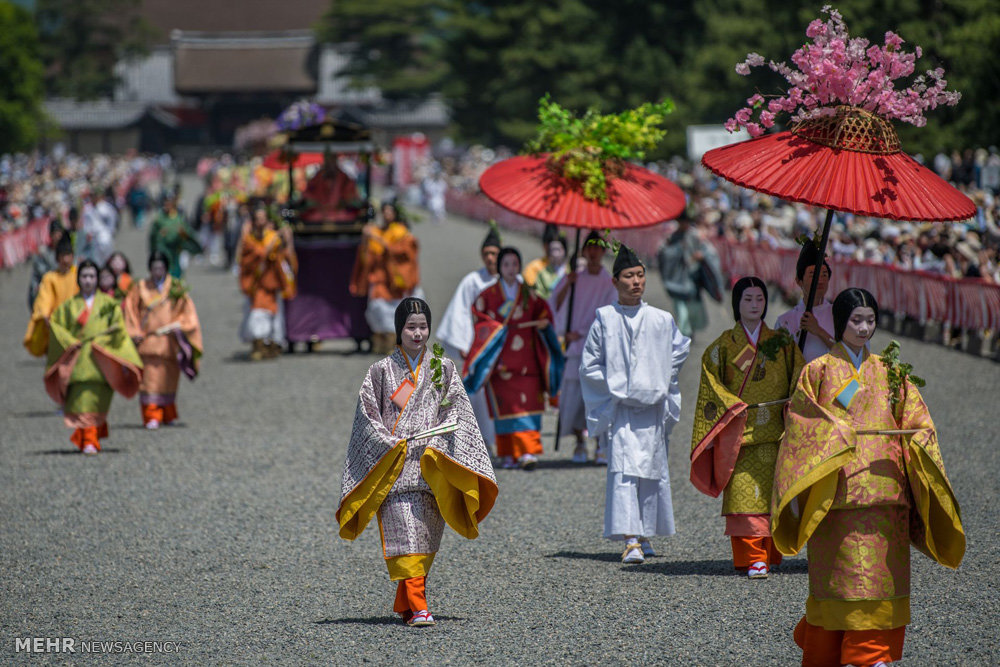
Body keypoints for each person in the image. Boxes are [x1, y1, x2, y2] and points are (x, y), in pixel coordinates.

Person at [772, 288, 965, 667]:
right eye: (856, 320)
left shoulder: (892, 373)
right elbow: (803, 423)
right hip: (837, 491)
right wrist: (844, 416)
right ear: (841, 322)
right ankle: (831, 650)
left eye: (870, 320)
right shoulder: (819, 370)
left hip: (887, 489)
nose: (863, 328)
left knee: (880, 579)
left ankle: (869, 654)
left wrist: (917, 435)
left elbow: (917, 419)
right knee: (840, 579)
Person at [337, 298, 498, 627]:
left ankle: (407, 602)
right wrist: (388, 441)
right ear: (399, 330)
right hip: (394, 466)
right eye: (411, 327)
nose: (418, 333)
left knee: (423, 539)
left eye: (423, 326)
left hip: (430, 465)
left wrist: (439, 442)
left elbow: (456, 412)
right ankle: (421, 607)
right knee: (406, 536)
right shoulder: (381, 371)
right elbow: (368, 417)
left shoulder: (442, 367)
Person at [580, 244, 690, 563]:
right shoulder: (604, 318)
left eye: (640, 275)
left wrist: (659, 377)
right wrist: (619, 386)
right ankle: (629, 538)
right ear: (615, 282)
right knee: (625, 470)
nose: (636, 282)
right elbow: (589, 364)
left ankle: (645, 533)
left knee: (653, 470)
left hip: (653, 405)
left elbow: (679, 349)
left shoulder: (661, 318)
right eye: (629, 276)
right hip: (623, 408)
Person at [689, 276, 803, 578]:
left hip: (774, 432)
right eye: (748, 299)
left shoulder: (782, 343)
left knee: (770, 498)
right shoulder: (723, 346)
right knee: (743, 496)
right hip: (738, 431)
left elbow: (799, 376)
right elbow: (711, 383)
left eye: (760, 299)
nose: (755, 305)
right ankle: (754, 558)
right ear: (736, 304)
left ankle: (765, 555)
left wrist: (792, 407)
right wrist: (731, 407)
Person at [464, 247, 564, 470]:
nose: (511, 269)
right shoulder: (488, 296)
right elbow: (479, 317)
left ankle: (528, 451)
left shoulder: (529, 294)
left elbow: (544, 314)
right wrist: (494, 329)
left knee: (529, 406)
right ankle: (509, 453)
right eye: (506, 264)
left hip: (527, 362)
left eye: (514, 264)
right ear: (500, 268)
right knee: (506, 408)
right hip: (501, 362)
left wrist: (543, 324)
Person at [43, 260, 143, 454]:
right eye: (84, 276)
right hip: (77, 361)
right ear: (78, 279)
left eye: (92, 276)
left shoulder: (108, 305)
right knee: (81, 401)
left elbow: (119, 331)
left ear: (98, 279)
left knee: (98, 401)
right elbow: (56, 326)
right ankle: (88, 439)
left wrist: (102, 342)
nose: (88, 280)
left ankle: (88, 436)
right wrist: (70, 342)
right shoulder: (68, 306)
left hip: (101, 362)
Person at [550, 231, 618, 463]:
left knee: (598, 397)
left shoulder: (609, 282)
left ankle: (600, 443)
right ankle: (579, 442)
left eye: (598, 248)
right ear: (584, 251)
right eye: (590, 247)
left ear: (604, 251)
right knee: (573, 397)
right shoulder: (574, 278)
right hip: (574, 347)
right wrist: (566, 286)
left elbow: (610, 317)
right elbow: (554, 305)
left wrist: (582, 333)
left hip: (598, 348)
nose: (594, 252)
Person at [435, 226, 501, 452]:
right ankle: (480, 442)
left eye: (495, 253)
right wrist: (464, 345)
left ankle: (506, 443)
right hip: (480, 347)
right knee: (478, 394)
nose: (491, 258)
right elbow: (460, 312)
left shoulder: (513, 280)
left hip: (505, 347)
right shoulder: (473, 281)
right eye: (487, 253)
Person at [123, 251, 203, 430]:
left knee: (168, 379)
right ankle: (151, 414)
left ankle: (167, 413)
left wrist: (180, 325)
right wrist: (134, 331)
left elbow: (187, 312)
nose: (157, 270)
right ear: (149, 268)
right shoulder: (140, 287)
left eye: (161, 267)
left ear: (166, 268)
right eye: (154, 267)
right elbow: (130, 312)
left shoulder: (175, 288)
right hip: (149, 340)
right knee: (150, 381)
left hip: (169, 340)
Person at [350, 202, 422, 355]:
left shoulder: (401, 233)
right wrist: (366, 240)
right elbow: (368, 255)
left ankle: (393, 343)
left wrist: (379, 240)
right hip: (380, 278)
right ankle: (379, 342)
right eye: (384, 211)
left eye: (389, 211)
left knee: (394, 311)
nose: (386, 215)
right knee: (376, 308)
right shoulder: (377, 231)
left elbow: (405, 254)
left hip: (395, 280)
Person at [238, 205, 297, 360]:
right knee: (257, 313)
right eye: (258, 219)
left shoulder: (273, 237)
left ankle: (271, 344)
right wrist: (268, 248)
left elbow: (285, 258)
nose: (261, 222)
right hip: (256, 284)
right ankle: (258, 343)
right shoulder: (249, 239)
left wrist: (287, 241)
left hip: (271, 282)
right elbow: (247, 259)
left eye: (263, 218)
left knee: (273, 314)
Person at [774, 243, 836, 362]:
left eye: (824, 274)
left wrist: (818, 331)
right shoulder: (784, 321)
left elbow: (848, 355)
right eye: (813, 275)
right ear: (799, 281)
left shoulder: (839, 314)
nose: (820, 280)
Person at [24, 236, 78, 357]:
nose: (65, 259)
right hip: (56, 325)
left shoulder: (78, 275)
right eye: (62, 256)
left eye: (68, 255)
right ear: (57, 258)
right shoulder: (50, 277)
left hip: (76, 324)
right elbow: (44, 298)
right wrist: (45, 315)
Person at [658, 212, 708, 340]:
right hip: (676, 278)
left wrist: (699, 256)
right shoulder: (673, 237)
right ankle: (683, 331)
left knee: (692, 306)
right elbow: (664, 254)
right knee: (680, 307)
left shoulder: (694, 236)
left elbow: (705, 251)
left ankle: (689, 329)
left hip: (692, 277)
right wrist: (677, 250)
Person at [148, 194, 202, 279]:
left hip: (176, 251)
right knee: (164, 270)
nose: (167, 206)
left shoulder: (179, 218)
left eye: (169, 203)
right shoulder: (159, 219)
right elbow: (153, 237)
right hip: (164, 250)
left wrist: (183, 235)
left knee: (177, 271)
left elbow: (187, 233)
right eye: (165, 203)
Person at [301, 154, 363, 223]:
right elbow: (307, 194)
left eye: (332, 160)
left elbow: (351, 196)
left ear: (335, 160)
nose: (330, 163)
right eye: (328, 160)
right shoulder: (317, 177)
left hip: (340, 215)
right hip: (319, 213)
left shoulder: (344, 178)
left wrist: (341, 206)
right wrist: (318, 206)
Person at [27, 220, 66, 311]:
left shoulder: (67, 252)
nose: (57, 236)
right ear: (50, 235)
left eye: (59, 233)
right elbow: (39, 273)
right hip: (47, 290)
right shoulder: (43, 252)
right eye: (55, 233)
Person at [522, 224, 566, 298]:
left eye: (559, 248)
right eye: (552, 247)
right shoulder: (534, 267)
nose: (555, 253)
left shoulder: (566, 268)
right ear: (545, 246)